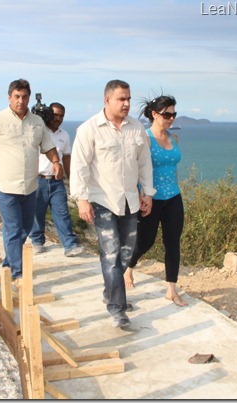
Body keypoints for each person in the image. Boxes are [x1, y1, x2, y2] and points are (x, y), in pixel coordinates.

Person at [70, 80, 155, 328]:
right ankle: (118, 308)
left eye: (128, 98)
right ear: (107, 100)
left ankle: (110, 292)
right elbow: (79, 166)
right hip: (102, 200)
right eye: (121, 99)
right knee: (111, 253)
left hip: (130, 201)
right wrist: (82, 199)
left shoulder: (136, 128)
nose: (127, 103)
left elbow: (144, 163)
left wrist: (146, 193)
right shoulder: (89, 129)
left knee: (126, 254)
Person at [0, 79, 62, 285]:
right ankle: (16, 274)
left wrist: (56, 162)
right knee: (13, 229)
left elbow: (47, 146)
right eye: (16, 97)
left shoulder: (37, 122)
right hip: (5, 186)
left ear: (29, 98)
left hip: (31, 186)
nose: (20, 101)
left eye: (24, 97)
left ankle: (8, 263)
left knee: (24, 228)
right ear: (9, 97)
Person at [124, 95, 188, 307]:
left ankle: (171, 290)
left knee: (173, 243)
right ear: (154, 114)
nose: (170, 119)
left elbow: (173, 170)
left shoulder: (174, 138)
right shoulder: (144, 138)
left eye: (173, 114)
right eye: (166, 114)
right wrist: (140, 195)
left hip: (173, 198)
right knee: (145, 241)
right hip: (151, 199)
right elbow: (134, 170)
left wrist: (178, 191)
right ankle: (128, 268)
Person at [29, 102, 84, 257]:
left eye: (61, 115)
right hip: (38, 179)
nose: (57, 118)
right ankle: (37, 242)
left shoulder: (64, 135)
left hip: (56, 181)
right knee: (37, 213)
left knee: (62, 213)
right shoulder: (38, 131)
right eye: (55, 114)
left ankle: (70, 245)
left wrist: (72, 179)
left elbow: (66, 158)